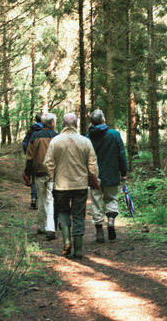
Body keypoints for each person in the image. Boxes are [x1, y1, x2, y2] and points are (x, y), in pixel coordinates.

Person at [44, 113, 99, 259]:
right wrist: (95, 179)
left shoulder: (55, 141)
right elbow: (93, 163)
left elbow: (48, 163)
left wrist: (51, 177)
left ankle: (67, 241)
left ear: (62, 124)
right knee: (78, 215)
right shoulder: (85, 141)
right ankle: (79, 250)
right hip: (80, 185)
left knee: (63, 212)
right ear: (76, 124)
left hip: (60, 185)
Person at [86, 109, 128, 243]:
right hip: (112, 173)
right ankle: (110, 221)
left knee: (96, 202)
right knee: (111, 199)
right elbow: (122, 155)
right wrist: (124, 173)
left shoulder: (87, 137)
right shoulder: (115, 135)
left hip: (94, 176)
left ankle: (99, 233)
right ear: (103, 119)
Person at [24, 113, 58, 240]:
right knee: (51, 199)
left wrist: (27, 174)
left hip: (38, 173)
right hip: (53, 173)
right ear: (52, 123)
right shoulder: (56, 136)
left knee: (42, 199)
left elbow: (29, 157)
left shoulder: (34, 136)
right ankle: (50, 227)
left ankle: (42, 226)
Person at [22, 113, 43, 209]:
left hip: (32, 158)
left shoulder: (31, 131)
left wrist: (28, 154)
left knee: (34, 178)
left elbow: (25, 143)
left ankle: (34, 198)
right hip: (44, 158)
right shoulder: (45, 131)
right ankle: (43, 200)